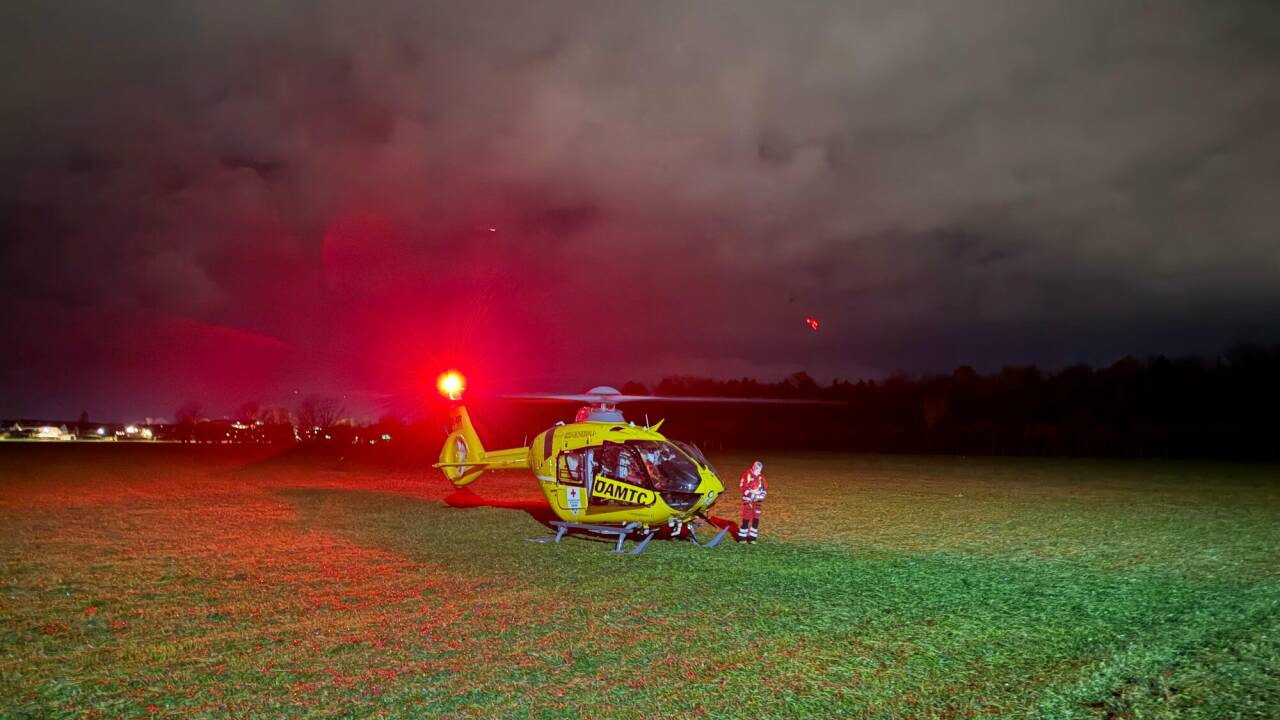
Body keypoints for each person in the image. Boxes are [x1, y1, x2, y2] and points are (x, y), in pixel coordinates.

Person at [737, 460, 767, 543]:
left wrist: (762, 495)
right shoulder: (747, 475)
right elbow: (743, 487)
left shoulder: (761, 477)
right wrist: (749, 495)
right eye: (757, 470)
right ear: (754, 468)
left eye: (760, 470)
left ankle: (752, 538)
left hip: (757, 501)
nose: (758, 472)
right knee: (746, 518)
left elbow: (764, 488)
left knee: (756, 518)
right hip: (748, 501)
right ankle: (742, 537)